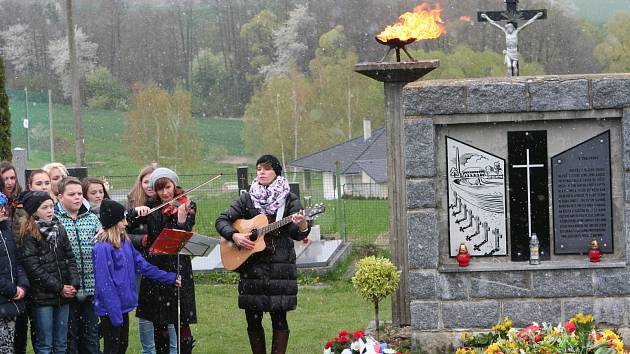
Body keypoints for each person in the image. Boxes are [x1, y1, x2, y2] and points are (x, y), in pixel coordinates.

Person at [215, 155, 311, 354]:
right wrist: (235, 236)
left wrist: (302, 225)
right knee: (253, 320)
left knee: (279, 319)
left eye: (266, 169)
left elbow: (295, 233)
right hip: (252, 268)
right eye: (258, 169)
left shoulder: (290, 199)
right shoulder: (247, 198)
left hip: (280, 268)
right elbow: (222, 220)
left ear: (276, 172)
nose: (261, 172)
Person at [93, 199, 181, 354]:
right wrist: (115, 315)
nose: (126, 223)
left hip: (123, 307)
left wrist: (170, 277)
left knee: (122, 346)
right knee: (112, 348)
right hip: (110, 310)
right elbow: (104, 285)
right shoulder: (102, 248)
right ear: (114, 222)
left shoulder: (125, 243)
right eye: (122, 220)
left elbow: (143, 266)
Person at [129, 167, 197, 354]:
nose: (165, 193)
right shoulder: (151, 207)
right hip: (156, 267)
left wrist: (181, 221)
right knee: (158, 318)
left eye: (168, 187)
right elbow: (129, 225)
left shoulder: (187, 204)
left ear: (174, 184)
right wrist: (135, 213)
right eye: (160, 189)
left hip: (178, 265)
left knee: (180, 317)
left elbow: (182, 233)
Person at [18, 191, 79, 354]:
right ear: (34, 211)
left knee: (61, 343)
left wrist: (73, 284)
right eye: (44, 207)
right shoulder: (29, 234)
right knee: (45, 344)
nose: (50, 210)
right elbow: (33, 268)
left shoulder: (59, 228)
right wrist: (59, 287)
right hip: (42, 297)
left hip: (63, 295)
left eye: (51, 206)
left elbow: (70, 257)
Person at [54, 177, 102, 354]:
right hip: (67, 289)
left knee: (91, 336)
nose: (77, 198)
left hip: (91, 288)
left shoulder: (92, 219)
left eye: (80, 194)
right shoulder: (55, 220)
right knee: (69, 337)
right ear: (60, 197)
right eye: (71, 194)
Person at [14, 169, 51, 354]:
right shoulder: (23, 218)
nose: (44, 187)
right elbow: (26, 258)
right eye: (39, 183)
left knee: (56, 338)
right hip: (31, 285)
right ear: (30, 186)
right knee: (38, 336)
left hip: (53, 287)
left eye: (47, 182)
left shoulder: (54, 216)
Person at [0, 192, 29, 352]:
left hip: (12, 302)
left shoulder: (6, 232)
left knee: (13, 347)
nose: (2, 211)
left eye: (2, 207)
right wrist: (11, 289)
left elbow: (17, 262)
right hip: (5, 298)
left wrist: (22, 286)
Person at [480, 12, 543, 76]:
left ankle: (515, 79)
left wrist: (536, 16)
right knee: (509, 67)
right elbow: (494, 24)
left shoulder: (516, 31)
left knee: (514, 66)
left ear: (512, 28)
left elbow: (527, 23)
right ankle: (510, 79)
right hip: (508, 52)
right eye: (507, 28)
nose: (508, 29)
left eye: (510, 28)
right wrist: (486, 17)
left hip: (514, 52)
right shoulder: (506, 32)